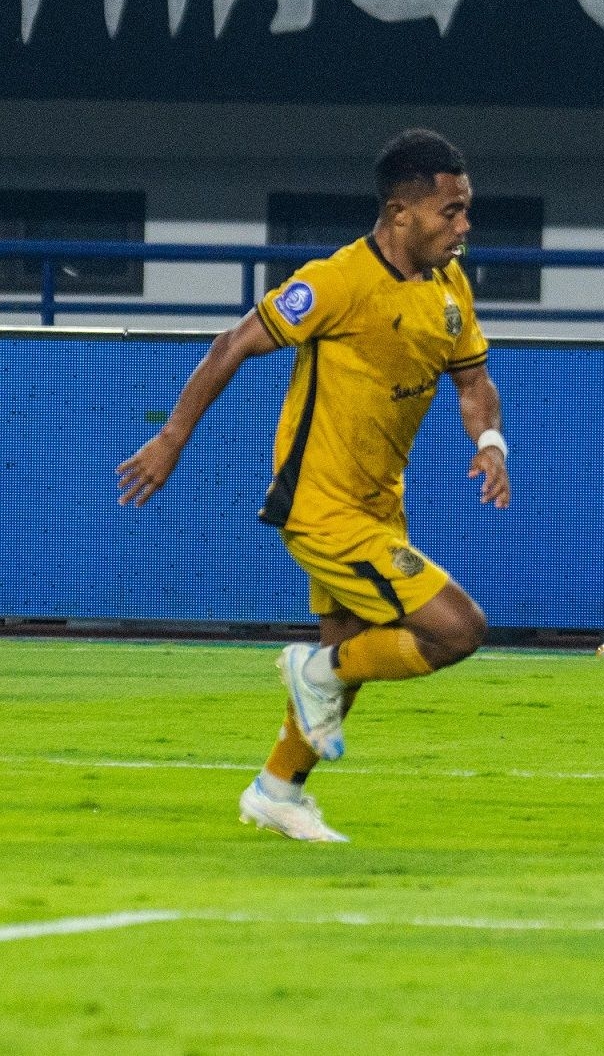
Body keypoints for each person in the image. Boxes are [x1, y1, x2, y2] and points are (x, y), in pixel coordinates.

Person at [115, 129, 510, 844]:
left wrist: (489, 442)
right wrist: (171, 439)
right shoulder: (336, 282)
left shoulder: (450, 287)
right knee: (458, 629)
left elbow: (473, 381)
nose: (464, 226)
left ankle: (277, 790)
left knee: (351, 657)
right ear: (400, 213)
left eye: (465, 210)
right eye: (450, 211)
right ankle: (312, 670)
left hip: (380, 503)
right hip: (322, 508)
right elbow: (233, 343)